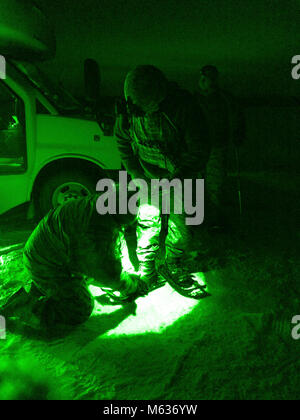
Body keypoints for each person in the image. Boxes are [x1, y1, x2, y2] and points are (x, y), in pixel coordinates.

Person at [115, 65, 210, 299]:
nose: (141, 114)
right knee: (148, 222)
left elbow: (199, 150)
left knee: (182, 225)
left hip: (181, 175)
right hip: (148, 175)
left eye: (145, 107)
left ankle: (174, 261)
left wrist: (177, 178)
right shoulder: (129, 113)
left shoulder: (184, 110)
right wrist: (137, 175)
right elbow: (123, 143)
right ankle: (148, 271)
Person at [1, 195, 146, 334]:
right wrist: (130, 286)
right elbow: (105, 272)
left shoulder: (102, 204)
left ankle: (41, 289)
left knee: (85, 276)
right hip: (46, 264)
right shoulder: (95, 228)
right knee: (80, 307)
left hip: (49, 253)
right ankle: (26, 306)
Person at [195, 65, 246, 229]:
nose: (205, 82)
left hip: (216, 146)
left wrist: (238, 134)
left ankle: (215, 218)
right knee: (197, 181)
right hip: (196, 147)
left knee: (215, 183)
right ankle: (199, 217)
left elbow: (237, 118)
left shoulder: (224, 99)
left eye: (208, 78)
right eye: (203, 78)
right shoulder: (194, 99)